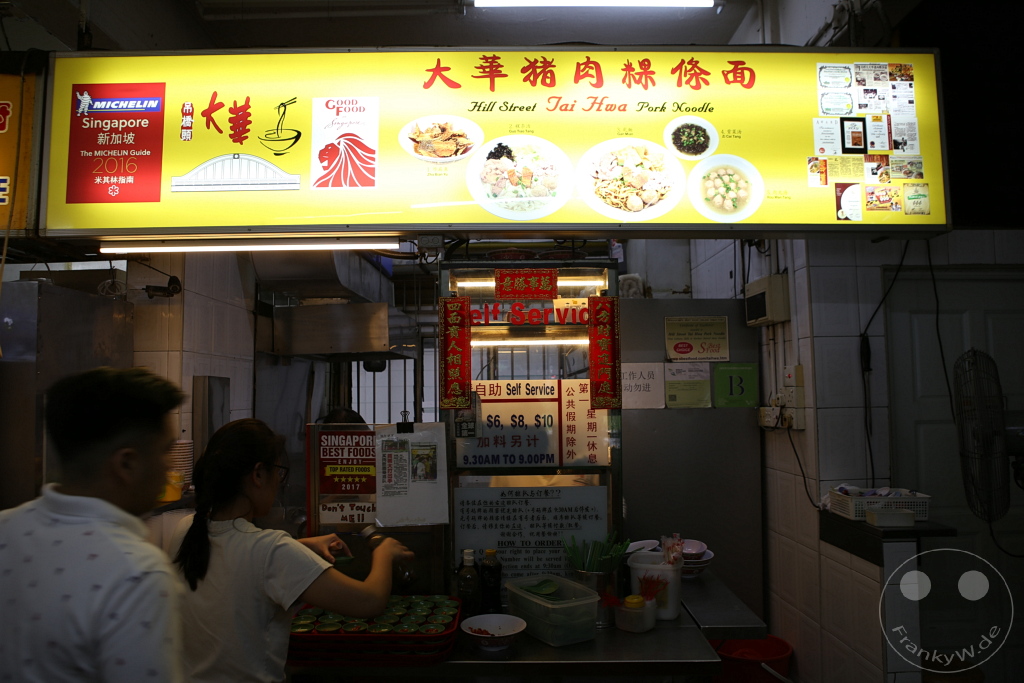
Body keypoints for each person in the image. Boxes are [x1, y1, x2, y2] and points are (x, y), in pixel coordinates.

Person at [170, 418, 412, 683]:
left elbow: (238, 560)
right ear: (258, 474)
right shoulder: (271, 550)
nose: (278, 482)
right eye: (279, 472)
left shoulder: (186, 531)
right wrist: (383, 552)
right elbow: (369, 601)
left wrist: (302, 546)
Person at [0, 366, 186, 683]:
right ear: (126, 463)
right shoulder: (135, 573)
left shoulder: (5, 528)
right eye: (167, 449)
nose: (171, 464)